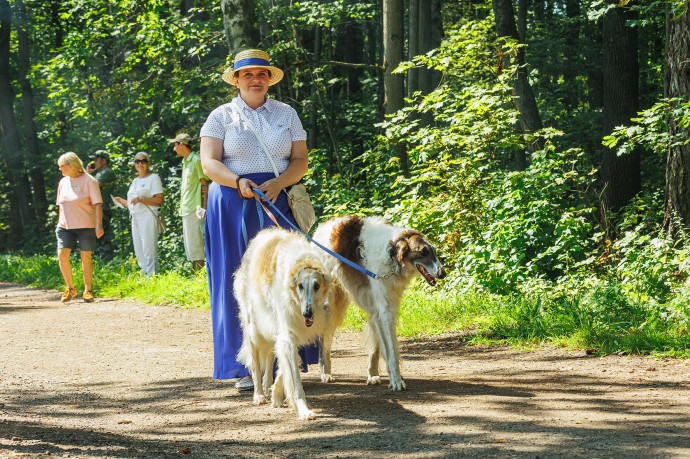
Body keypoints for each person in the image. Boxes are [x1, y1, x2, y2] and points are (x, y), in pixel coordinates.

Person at [199, 49, 318, 391]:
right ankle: (245, 366)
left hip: (277, 201)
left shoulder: (287, 113)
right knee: (238, 281)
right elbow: (209, 163)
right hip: (232, 201)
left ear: (270, 78)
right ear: (236, 79)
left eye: (261, 74)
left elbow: (300, 160)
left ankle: (289, 361)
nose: (255, 79)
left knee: (289, 276)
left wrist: (280, 182)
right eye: (247, 74)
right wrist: (237, 181)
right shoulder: (221, 116)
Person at [56, 152, 104, 303]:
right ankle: (70, 288)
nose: (60, 169)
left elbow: (98, 204)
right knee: (62, 255)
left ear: (71, 165)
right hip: (65, 226)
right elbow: (60, 205)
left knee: (86, 257)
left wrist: (99, 225)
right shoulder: (63, 182)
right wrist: (60, 222)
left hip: (86, 225)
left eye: (61, 166)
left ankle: (88, 290)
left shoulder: (90, 181)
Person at [113, 152, 164, 276]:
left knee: (148, 248)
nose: (140, 163)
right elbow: (132, 204)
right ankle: (144, 275)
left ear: (148, 163)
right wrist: (121, 201)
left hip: (148, 216)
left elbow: (160, 199)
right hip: (135, 216)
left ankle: (152, 277)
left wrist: (142, 199)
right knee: (139, 249)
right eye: (137, 161)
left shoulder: (153, 178)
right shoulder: (135, 181)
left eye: (143, 161)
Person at [170, 133, 209, 272]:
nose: (174, 149)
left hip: (195, 208)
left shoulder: (196, 160)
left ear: (181, 144)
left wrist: (204, 209)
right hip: (186, 208)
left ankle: (199, 276)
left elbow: (205, 185)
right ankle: (197, 275)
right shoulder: (185, 161)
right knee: (190, 245)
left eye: (175, 145)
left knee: (196, 244)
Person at [87, 150, 117, 259]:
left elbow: (93, 186)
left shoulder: (107, 172)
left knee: (103, 239)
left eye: (96, 160)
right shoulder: (98, 174)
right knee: (96, 240)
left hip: (103, 210)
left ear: (104, 161)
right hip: (97, 210)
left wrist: (87, 174)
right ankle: (101, 264)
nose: (94, 162)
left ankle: (107, 263)